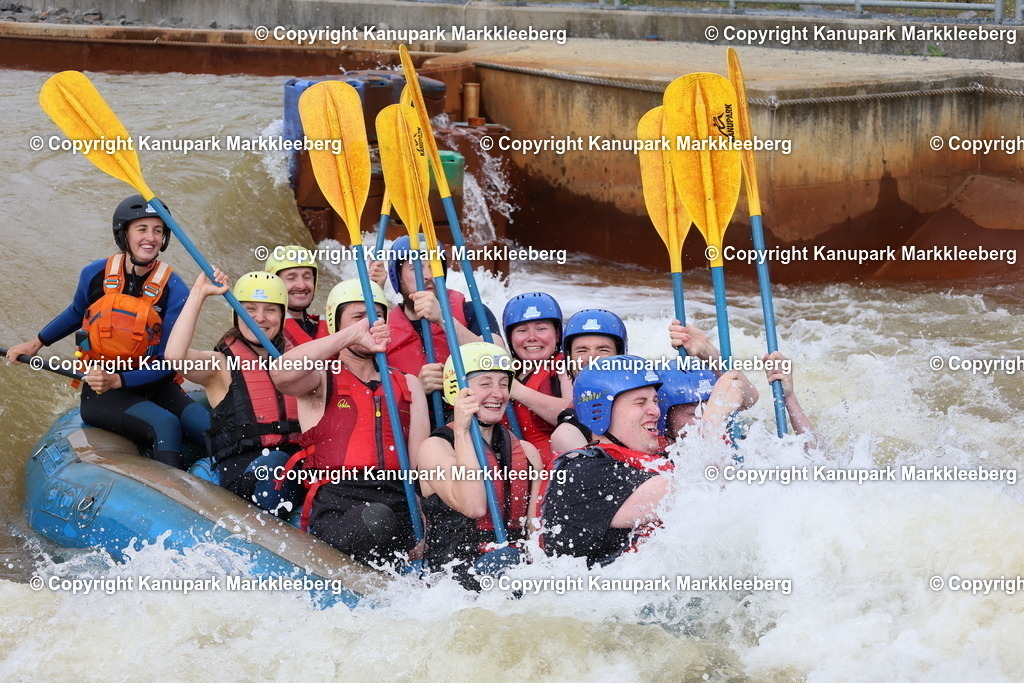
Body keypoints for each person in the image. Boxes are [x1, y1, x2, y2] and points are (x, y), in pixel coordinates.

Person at [5, 195, 208, 469]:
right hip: (102, 391)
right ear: (124, 233)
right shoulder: (95, 274)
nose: (151, 238)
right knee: (166, 425)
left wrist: (120, 379)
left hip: (154, 385)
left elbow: (167, 362)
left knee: (208, 427)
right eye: (142, 229)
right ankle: (177, 499)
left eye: (158, 230)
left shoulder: (175, 290)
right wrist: (36, 343)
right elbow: (77, 313)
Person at [272, 279, 429, 567]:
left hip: (399, 500)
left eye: (378, 316)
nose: (371, 322)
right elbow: (281, 372)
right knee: (378, 518)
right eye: (358, 317)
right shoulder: (320, 377)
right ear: (337, 324)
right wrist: (352, 335)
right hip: (339, 505)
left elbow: (421, 464)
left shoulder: (408, 384)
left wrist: (425, 515)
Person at [164, 269, 303, 517]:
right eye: (249, 309)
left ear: (282, 315)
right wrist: (199, 293)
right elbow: (174, 356)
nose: (259, 318)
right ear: (236, 313)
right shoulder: (219, 366)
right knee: (275, 466)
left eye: (270, 310)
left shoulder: (297, 362)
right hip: (244, 469)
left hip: (296, 465)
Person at [418, 342, 544, 586]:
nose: (498, 394)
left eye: (504, 384)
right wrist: (463, 432)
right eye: (485, 383)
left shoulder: (528, 453)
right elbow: (474, 507)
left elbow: (533, 534)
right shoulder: (435, 448)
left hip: (513, 572)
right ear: (457, 389)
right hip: (452, 581)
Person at [542, 356, 671, 567]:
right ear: (599, 412)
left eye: (655, 401)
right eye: (640, 403)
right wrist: (713, 420)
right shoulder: (583, 473)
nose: (655, 411)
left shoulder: (652, 461)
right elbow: (687, 493)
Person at [384, 235, 500, 427]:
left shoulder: (471, 311)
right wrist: (416, 389)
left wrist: (443, 319)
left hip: (473, 424)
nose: (428, 275)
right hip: (415, 428)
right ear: (397, 278)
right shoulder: (383, 330)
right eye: (416, 268)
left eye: (433, 266)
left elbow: (499, 359)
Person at [502, 292, 573, 469]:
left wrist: (519, 391)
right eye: (522, 330)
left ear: (557, 334)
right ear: (510, 339)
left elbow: (575, 415)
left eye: (541, 329)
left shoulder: (567, 365)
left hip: (556, 471)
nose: (532, 337)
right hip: (515, 468)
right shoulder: (505, 370)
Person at [549, 309, 629, 454]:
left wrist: (685, 351)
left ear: (620, 356)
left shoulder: (648, 398)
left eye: (603, 350)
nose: (592, 358)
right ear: (569, 359)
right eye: (581, 351)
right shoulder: (567, 434)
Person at [264, 245, 328, 345]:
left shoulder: (330, 327)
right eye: (291, 278)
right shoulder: (262, 330)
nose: (302, 286)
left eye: (307, 277)